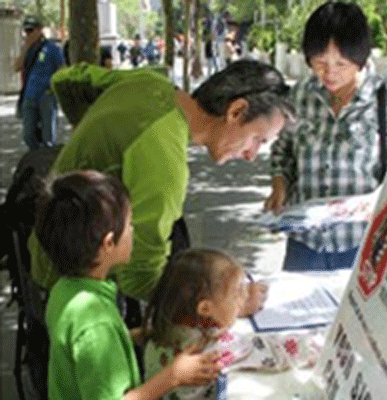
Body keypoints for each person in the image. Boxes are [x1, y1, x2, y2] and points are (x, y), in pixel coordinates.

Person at [29, 59, 294, 317]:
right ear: (236, 111)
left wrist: (89, 132)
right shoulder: (164, 157)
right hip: (70, 292)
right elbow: (139, 275)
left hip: (44, 252)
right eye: (257, 139)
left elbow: (68, 77)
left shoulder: (148, 82)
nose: (252, 155)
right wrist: (226, 304)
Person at [264, 2, 387, 271]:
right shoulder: (300, 96)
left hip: (366, 246)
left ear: (360, 58)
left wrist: (372, 201)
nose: (329, 73)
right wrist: (279, 185)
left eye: (341, 63)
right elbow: (283, 150)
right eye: (319, 62)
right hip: (305, 245)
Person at [36, 170, 222, 399]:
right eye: (130, 224)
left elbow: (83, 352)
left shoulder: (65, 290)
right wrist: (174, 375)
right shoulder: (97, 325)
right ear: (108, 243)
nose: (133, 230)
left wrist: (140, 334)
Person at [143, 248, 247, 399]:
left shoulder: (163, 329)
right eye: (237, 293)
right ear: (205, 308)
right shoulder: (207, 348)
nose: (244, 297)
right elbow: (263, 352)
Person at [13, 15, 64, 150]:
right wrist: (26, 47)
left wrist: (53, 89)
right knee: (28, 135)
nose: (29, 33)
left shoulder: (52, 48)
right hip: (29, 96)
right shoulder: (26, 49)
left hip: (46, 96)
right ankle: (36, 156)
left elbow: (61, 69)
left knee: (48, 137)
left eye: (32, 30)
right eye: (27, 31)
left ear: (40, 30)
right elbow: (16, 67)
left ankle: (46, 160)